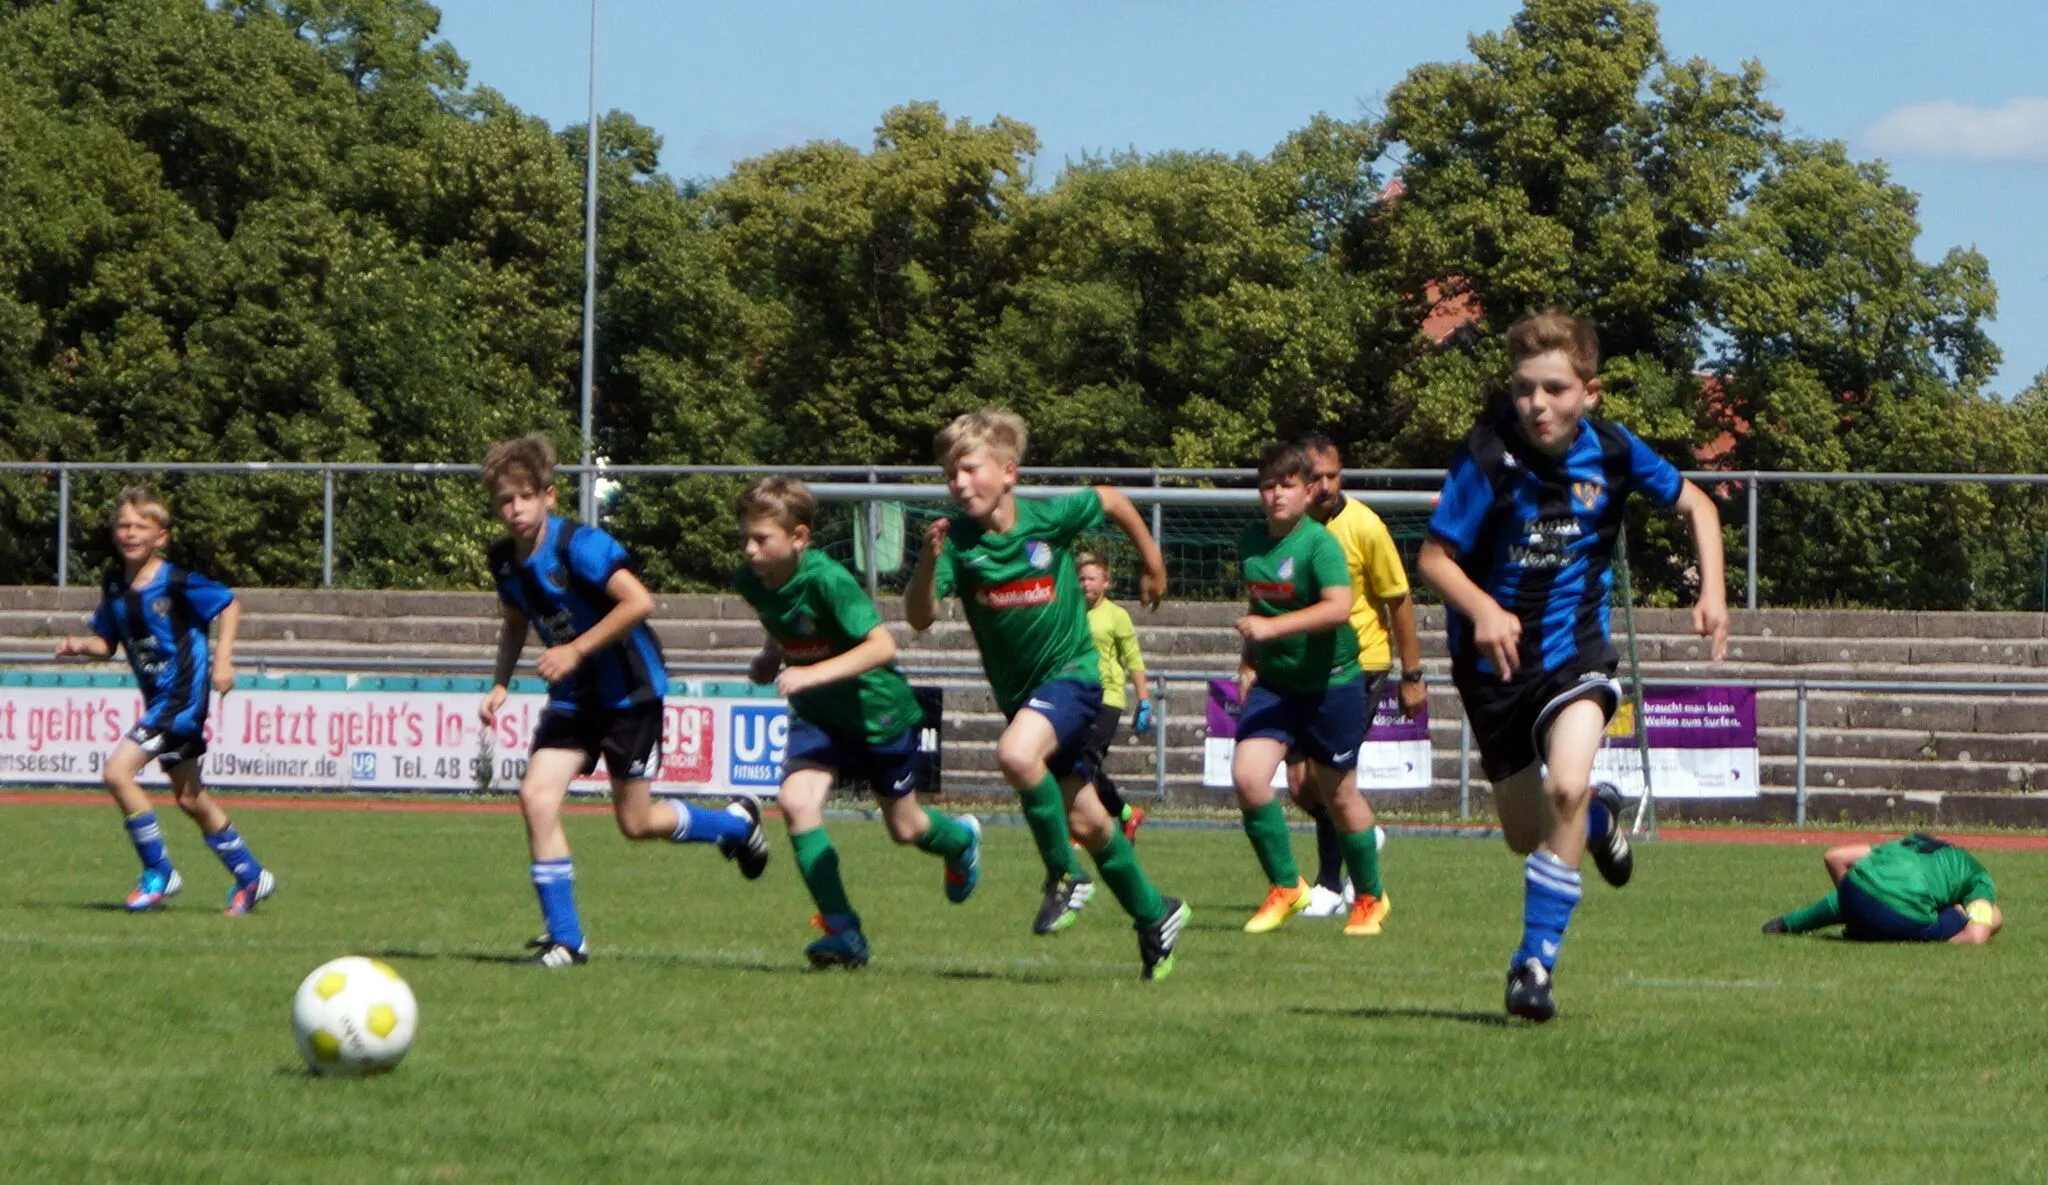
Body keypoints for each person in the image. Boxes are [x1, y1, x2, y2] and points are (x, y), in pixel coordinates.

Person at [1416, 308, 1729, 1022]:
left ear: (1590, 392)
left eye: (1555, 389)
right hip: (1493, 669)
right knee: (1526, 835)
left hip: (1575, 652)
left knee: (1565, 785)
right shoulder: (1486, 456)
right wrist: (1485, 609)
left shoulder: (1614, 450)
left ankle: (1533, 965)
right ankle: (1595, 822)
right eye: (1525, 388)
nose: (1537, 404)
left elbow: (1700, 506)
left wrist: (1712, 592)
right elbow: (1433, 559)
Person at [905, 409, 1188, 980]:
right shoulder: (955, 543)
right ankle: (1155, 913)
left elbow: (1110, 498)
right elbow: (919, 617)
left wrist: (1153, 562)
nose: (958, 483)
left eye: (970, 469)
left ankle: (1063, 875)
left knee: (1014, 754)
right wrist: (929, 561)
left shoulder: (1048, 518)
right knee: (1089, 822)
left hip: (1076, 678)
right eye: (950, 474)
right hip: (1026, 700)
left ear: (1009, 472)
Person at [477, 434, 768, 968]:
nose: (514, 509)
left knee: (635, 823)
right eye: (504, 500)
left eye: (525, 497)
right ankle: (567, 940)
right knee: (536, 797)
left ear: (549, 496)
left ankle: (737, 825)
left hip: (630, 693)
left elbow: (639, 602)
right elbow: (515, 622)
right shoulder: (504, 562)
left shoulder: (580, 547)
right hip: (573, 700)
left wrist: (575, 649)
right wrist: (500, 683)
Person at [735, 477, 984, 969]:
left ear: (799, 538)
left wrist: (810, 672)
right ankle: (843, 930)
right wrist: (771, 655)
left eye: (761, 539)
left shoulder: (828, 580)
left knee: (906, 828)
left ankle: (962, 841)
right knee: (796, 801)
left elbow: (881, 646)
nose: (749, 549)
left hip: (877, 713)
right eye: (745, 537)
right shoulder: (751, 579)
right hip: (820, 716)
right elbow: (782, 618)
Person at [55, 486, 276, 915]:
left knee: (117, 772)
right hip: (160, 700)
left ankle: (158, 872)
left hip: (181, 698)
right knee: (190, 798)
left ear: (161, 537)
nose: (130, 533)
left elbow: (229, 604)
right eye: (123, 525)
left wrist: (223, 661)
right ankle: (251, 876)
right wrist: (79, 645)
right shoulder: (115, 584)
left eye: (141, 526)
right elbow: (108, 644)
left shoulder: (176, 582)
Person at [1231, 443, 1388, 938]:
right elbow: (1260, 609)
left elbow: (1338, 608)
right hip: (1277, 685)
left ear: (1306, 491)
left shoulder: (1319, 544)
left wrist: (1271, 631)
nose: (1277, 494)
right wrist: (1249, 661)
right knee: (1248, 777)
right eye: (1268, 486)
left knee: (1338, 794)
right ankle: (1286, 886)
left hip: (1331, 684)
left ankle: (1370, 897)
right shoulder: (1251, 542)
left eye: (1288, 485)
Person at [1291, 435, 1424, 918]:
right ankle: (1363, 831)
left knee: (1329, 776)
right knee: (1300, 785)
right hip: (1304, 668)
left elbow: (1398, 599)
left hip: (1361, 664)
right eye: (1317, 477)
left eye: (1334, 475)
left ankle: (1329, 885)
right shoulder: (1291, 528)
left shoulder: (1365, 526)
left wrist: (1413, 673)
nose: (1327, 485)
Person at [1762, 834, 2002, 944]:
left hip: (1855, 892)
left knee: (1867, 887)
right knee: (1994, 914)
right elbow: (1976, 936)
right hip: (1903, 914)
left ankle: (1788, 923)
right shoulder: (1979, 878)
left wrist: (1853, 907)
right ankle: (1872, 928)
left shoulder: (1910, 841)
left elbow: (1835, 856)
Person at [1076, 550, 1152, 844]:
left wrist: (1144, 701)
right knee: (1076, 763)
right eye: (1082, 578)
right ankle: (1126, 814)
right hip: (1078, 696)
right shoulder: (1072, 613)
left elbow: (1133, 659)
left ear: (1106, 582)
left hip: (1108, 698)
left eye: (1092, 578)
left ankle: (1086, 827)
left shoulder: (1117, 616)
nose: (1085, 583)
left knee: (1086, 760)